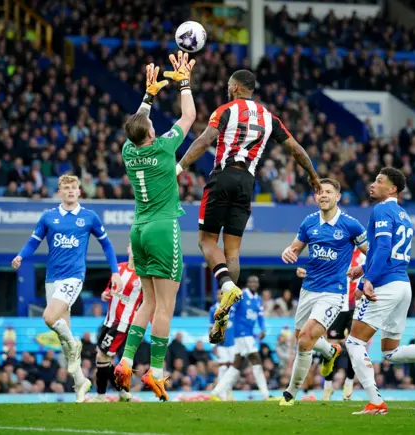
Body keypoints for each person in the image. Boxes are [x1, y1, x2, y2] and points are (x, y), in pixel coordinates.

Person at [175, 69, 320, 335]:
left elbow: (205, 139)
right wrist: (313, 176)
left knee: (206, 240)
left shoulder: (226, 110)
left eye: (230, 85)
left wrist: (179, 167)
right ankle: (224, 313)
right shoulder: (269, 118)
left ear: (237, 88)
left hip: (223, 175)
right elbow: (296, 149)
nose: (227, 88)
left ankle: (227, 288)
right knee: (233, 252)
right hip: (247, 183)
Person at [113, 51, 196, 402]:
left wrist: (148, 95)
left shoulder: (129, 152)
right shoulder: (164, 148)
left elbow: (137, 123)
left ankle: (127, 361)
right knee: (166, 306)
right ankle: (157, 374)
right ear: (150, 131)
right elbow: (189, 115)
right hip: (163, 228)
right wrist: (184, 82)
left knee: (147, 302)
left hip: (139, 229)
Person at [346, 167, 415, 415]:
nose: (373, 184)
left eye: (379, 181)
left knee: (354, 342)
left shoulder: (382, 209)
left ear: (393, 188)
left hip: (385, 285)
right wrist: (364, 266)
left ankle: (375, 401)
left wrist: (368, 278)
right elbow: (389, 251)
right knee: (390, 352)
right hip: (402, 285)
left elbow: (385, 246)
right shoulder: (404, 215)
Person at [11, 174, 122, 403]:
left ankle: (75, 344)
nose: (70, 191)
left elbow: (107, 244)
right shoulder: (48, 217)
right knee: (64, 342)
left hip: (73, 277)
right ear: (60, 192)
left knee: (49, 317)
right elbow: (34, 241)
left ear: (79, 191)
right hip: (52, 279)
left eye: (74, 187)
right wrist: (21, 256)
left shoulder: (89, 217)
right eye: (66, 188)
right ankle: (80, 383)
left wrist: (115, 271)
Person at [278, 179, 368, 407]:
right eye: (320, 192)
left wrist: (363, 271)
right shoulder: (309, 222)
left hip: (333, 293)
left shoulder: (351, 225)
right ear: (315, 197)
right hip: (308, 289)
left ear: (338, 197)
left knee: (305, 341)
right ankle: (331, 351)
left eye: (328, 192)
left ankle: (290, 394)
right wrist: (288, 252)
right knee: (301, 338)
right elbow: (294, 248)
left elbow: (374, 253)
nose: (323, 195)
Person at [93, 245, 143, 403]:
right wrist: (105, 294)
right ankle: (122, 391)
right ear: (128, 248)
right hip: (109, 320)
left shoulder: (143, 276)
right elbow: (109, 289)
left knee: (102, 356)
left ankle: (101, 396)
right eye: (133, 245)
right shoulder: (119, 268)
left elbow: (146, 302)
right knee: (103, 358)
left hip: (123, 323)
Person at [210, 277, 270, 400]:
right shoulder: (241, 296)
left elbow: (260, 317)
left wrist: (263, 329)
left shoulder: (258, 299)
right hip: (241, 333)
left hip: (249, 334)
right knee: (256, 359)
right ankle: (266, 394)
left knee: (236, 365)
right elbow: (230, 311)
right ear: (247, 284)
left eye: (255, 282)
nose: (253, 284)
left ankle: (215, 393)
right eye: (250, 282)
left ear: (258, 284)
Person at [323, 247, 366, 401]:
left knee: (354, 346)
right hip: (338, 305)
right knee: (330, 348)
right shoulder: (337, 251)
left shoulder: (363, 254)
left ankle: (348, 383)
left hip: (356, 306)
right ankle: (328, 386)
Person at [208, 289, 236, 400]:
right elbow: (211, 327)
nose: (220, 296)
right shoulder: (213, 309)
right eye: (218, 294)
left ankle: (228, 391)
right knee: (223, 367)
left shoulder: (232, 308)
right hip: (220, 344)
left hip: (233, 343)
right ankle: (221, 394)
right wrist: (213, 345)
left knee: (232, 369)